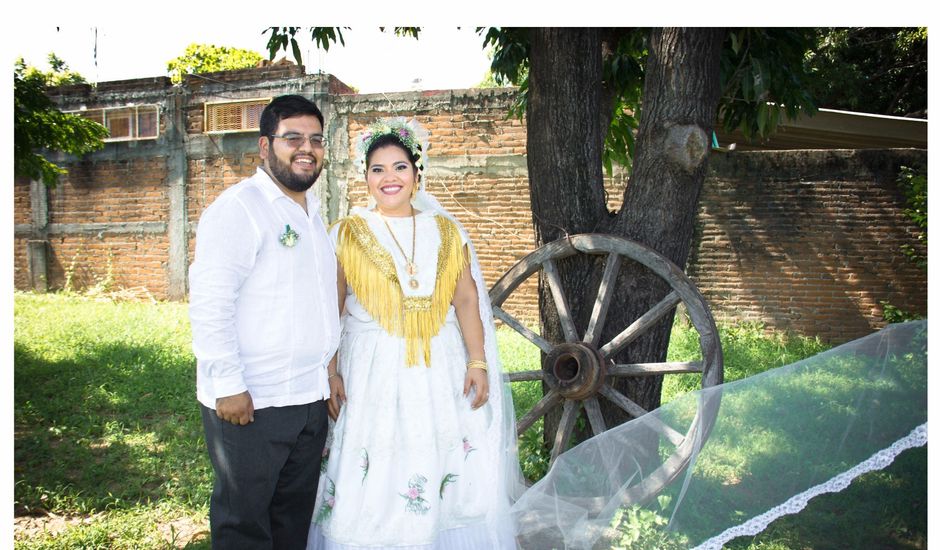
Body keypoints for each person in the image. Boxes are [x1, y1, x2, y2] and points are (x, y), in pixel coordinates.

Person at [307, 118, 523, 549]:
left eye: (400, 167)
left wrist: (477, 361)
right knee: (376, 463)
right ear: (365, 177)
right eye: (378, 169)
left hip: (439, 366)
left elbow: (466, 301)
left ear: (417, 174)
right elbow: (331, 312)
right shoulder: (345, 233)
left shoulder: (446, 231)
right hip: (372, 371)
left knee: (442, 460)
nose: (390, 178)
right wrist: (331, 373)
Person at [189, 94, 340, 549]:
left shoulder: (312, 213)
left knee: (292, 520)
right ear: (264, 146)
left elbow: (315, 303)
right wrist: (228, 385)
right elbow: (211, 302)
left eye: (316, 138)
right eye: (292, 137)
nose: (306, 148)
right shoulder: (239, 208)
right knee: (245, 524)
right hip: (253, 400)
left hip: (308, 399)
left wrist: (328, 373)